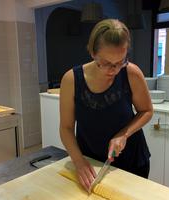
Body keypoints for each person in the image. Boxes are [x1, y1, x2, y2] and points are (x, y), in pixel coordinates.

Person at [59, 19, 153, 191]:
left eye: (120, 62)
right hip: (90, 164)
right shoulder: (71, 80)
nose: (114, 70)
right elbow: (65, 128)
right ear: (92, 52)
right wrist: (79, 162)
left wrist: (123, 134)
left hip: (132, 162)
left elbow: (146, 111)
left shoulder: (131, 73)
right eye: (107, 63)